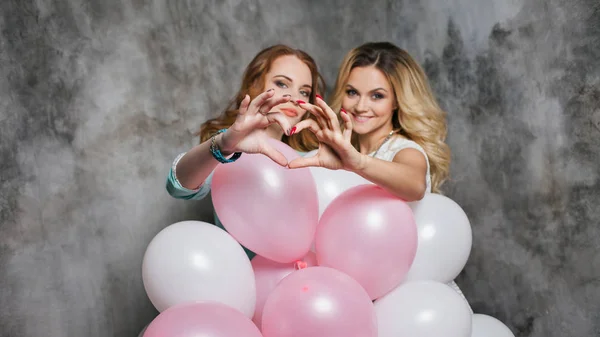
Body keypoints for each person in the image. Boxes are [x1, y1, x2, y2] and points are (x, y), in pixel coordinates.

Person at [288, 41, 471, 309]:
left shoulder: (405, 149)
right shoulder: (335, 149)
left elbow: (414, 183)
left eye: (377, 96)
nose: (361, 106)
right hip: (353, 296)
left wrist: (357, 163)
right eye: (352, 92)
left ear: (397, 101)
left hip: (408, 301)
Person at [165, 44, 325, 258]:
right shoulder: (231, 146)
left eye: (304, 91)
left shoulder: (311, 160)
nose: (294, 97)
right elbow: (178, 187)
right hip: (239, 283)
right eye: (281, 83)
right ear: (256, 85)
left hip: (298, 285)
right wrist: (224, 144)